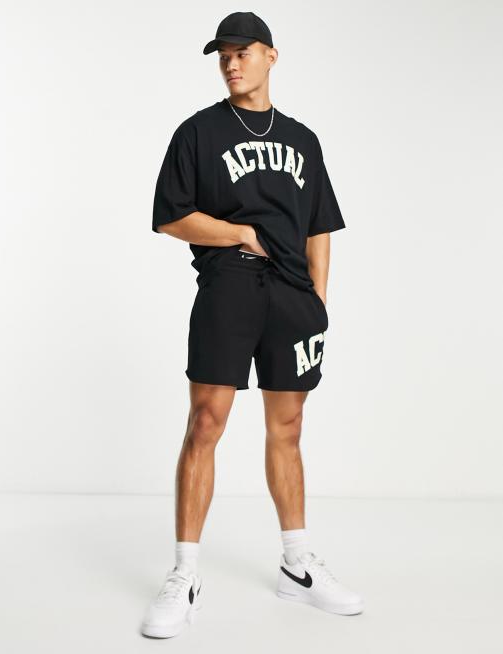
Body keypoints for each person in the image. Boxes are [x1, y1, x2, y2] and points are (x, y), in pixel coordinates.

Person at [140, 11, 364, 639]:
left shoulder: (302, 139)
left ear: (271, 56)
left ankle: (298, 565)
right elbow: (171, 216)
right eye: (224, 56)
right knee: (205, 421)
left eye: (243, 52)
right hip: (229, 285)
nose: (232, 64)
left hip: (293, 296)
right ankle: (185, 574)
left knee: (287, 427)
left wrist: (318, 299)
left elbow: (320, 223)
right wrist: (239, 232)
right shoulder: (198, 132)